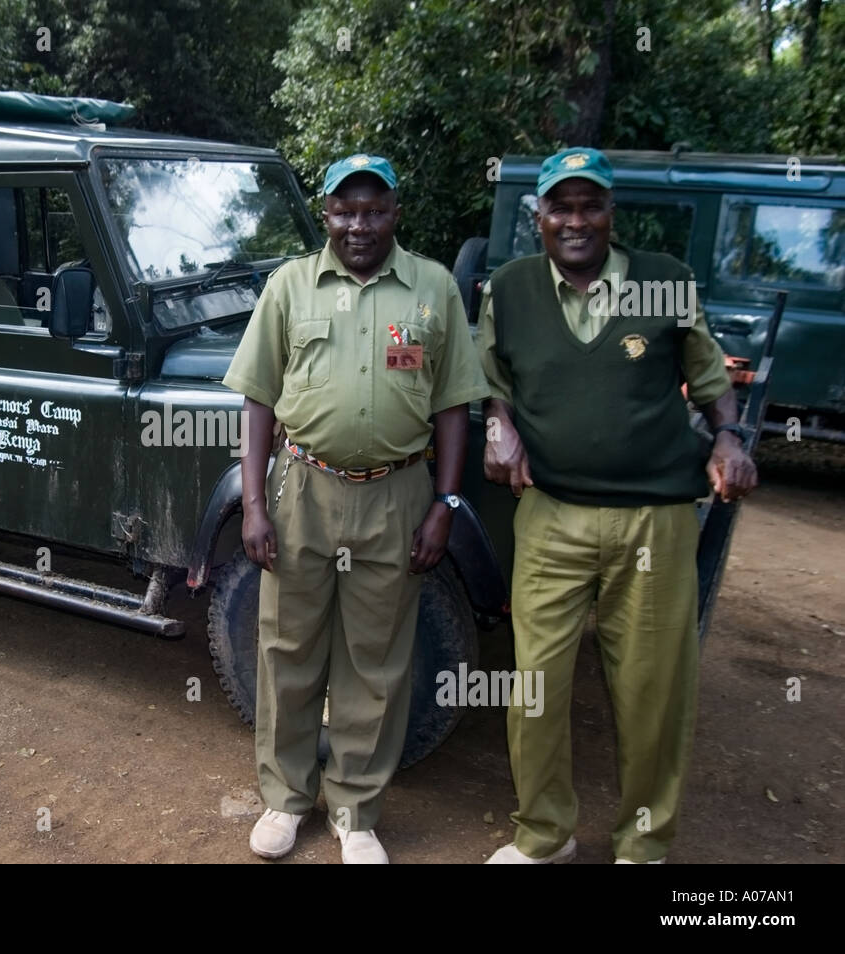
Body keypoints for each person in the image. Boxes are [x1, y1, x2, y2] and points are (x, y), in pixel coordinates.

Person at [476, 146, 758, 864]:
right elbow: (490, 377)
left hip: (654, 520)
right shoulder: (508, 289)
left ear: (611, 212)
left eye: (590, 205)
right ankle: (543, 836)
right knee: (534, 686)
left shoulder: (666, 281)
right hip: (548, 512)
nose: (575, 220)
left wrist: (728, 436)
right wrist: (497, 421)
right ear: (537, 217)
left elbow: (708, 374)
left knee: (652, 691)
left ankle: (644, 844)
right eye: (560, 207)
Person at [222, 154, 489, 863]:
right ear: (327, 214)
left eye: (373, 210)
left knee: (377, 659)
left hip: (399, 494)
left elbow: (456, 403)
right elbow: (257, 399)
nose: (358, 224)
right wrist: (253, 503)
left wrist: (445, 504)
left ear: (395, 212)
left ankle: (356, 811)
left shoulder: (432, 288)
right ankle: (284, 800)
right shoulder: (290, 286)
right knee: (289, 650)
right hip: (303, 490)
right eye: (344, 210)